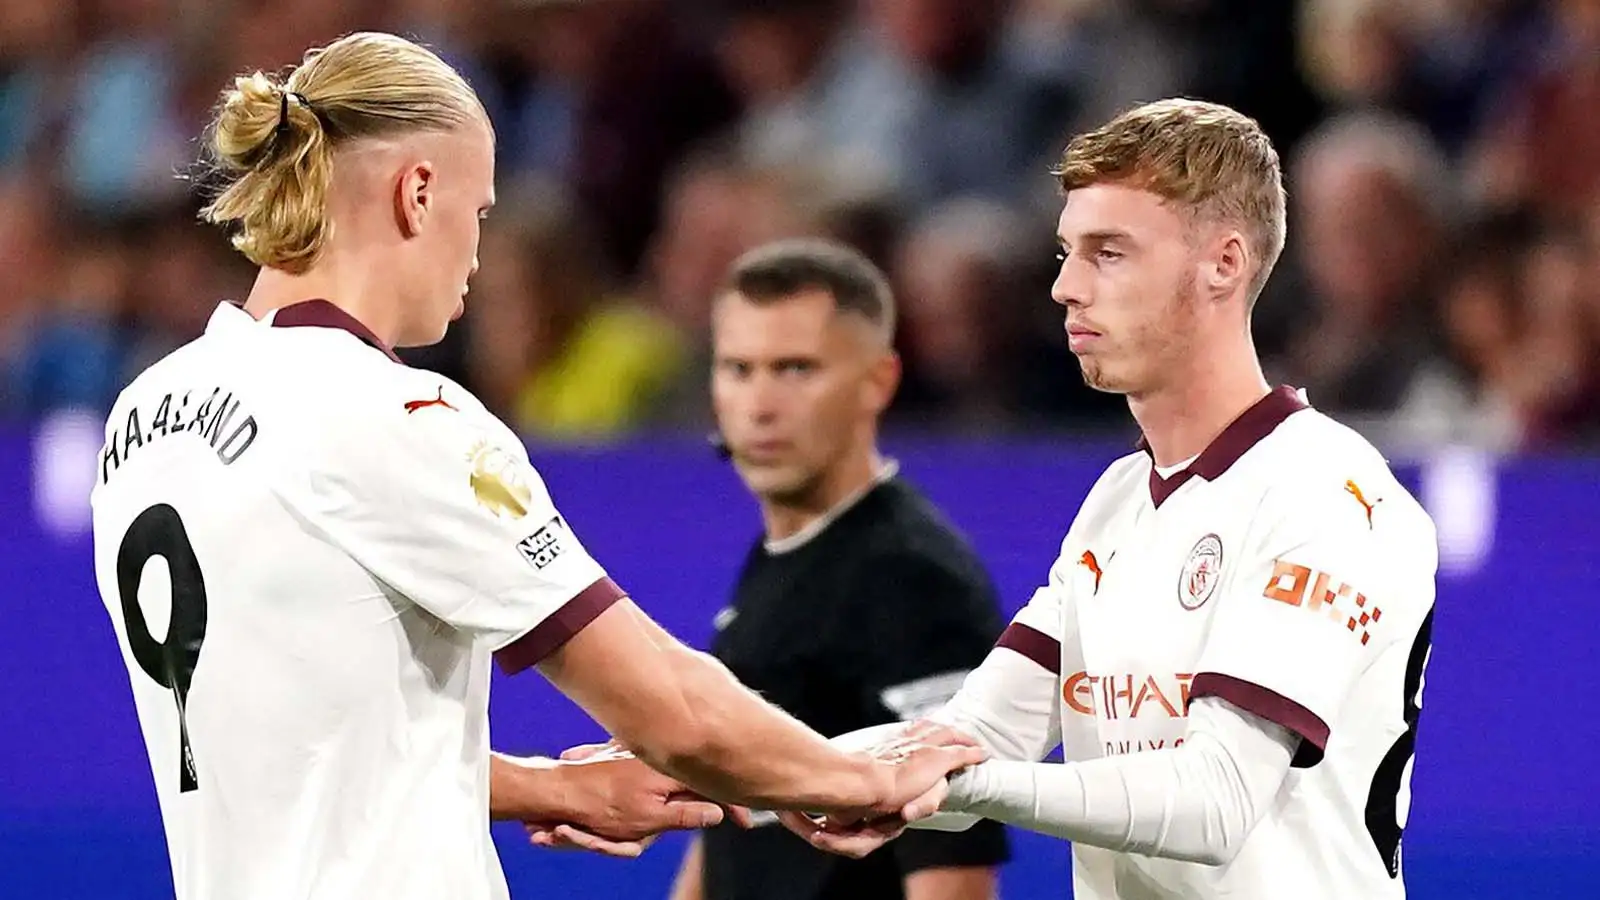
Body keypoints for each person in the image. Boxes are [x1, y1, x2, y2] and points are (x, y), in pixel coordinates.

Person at [87, 32, 982, 900]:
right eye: (477, 214)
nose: (476, 256)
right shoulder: (395, 415)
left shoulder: (144, 417)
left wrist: (550, 789)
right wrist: (855, 781)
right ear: (417, 191)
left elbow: (296, 743)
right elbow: (672, 709)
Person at [784, 99, 1441, 899]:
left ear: (1224, 264)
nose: (1064, 286)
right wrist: (715, 773)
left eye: (1110, 253)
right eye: (1067, 251)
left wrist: (958, 782)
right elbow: (977, 732)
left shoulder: (1327, 495)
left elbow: (1216, 801)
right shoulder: (1120, 500)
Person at [671, 239, 1010, 899]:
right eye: (738, 369)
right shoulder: (783, 559)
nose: (760, 405)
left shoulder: (912, 581)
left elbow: (954, 870)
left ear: (877, 382)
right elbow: (734, 828)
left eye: (795, 369)